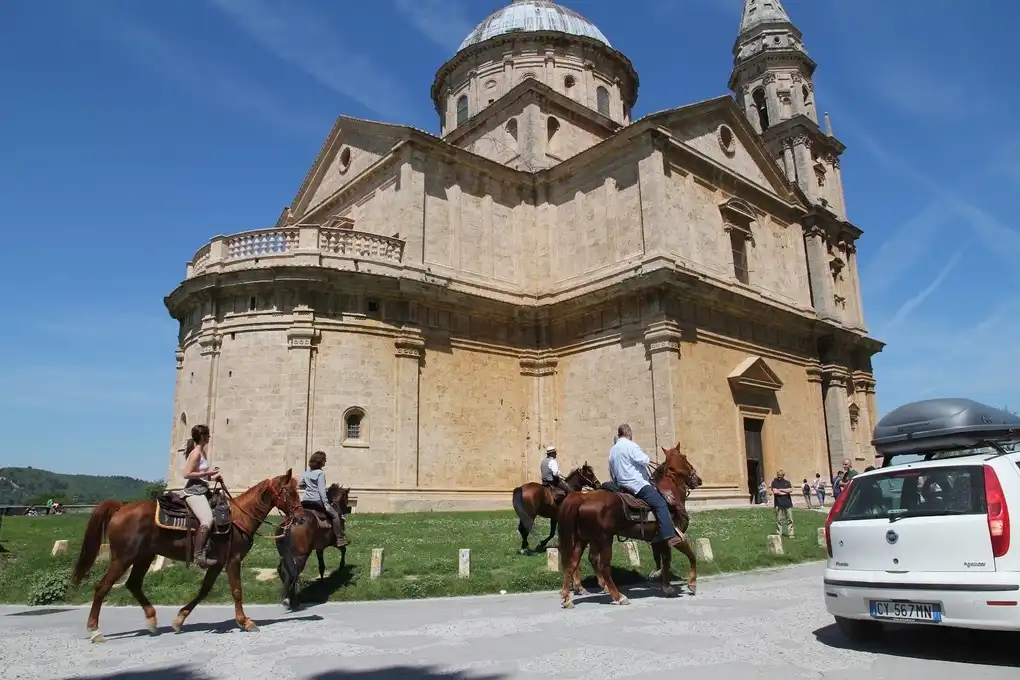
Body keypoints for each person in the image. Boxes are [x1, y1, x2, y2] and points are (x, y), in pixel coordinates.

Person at [608, 423, 683, 548]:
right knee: (660, 503)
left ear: (619, 434)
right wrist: (646, 457)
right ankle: (668, 536)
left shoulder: (613, 449)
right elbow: (645, 461)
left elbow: (611, 470)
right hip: (637, 485)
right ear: (629, 434)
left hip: (621, 485)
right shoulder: (631, 446)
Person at [181, 424, 220, 568]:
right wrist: (207, 473)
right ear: (202, 436)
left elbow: (204, 476)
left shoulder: (202, 452)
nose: (210, 436)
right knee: (207, 519)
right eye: (208, 434)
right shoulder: (196, 453)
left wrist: (214, 477)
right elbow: (186, 474)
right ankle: (198, 556)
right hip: (193, 491)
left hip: (202, 489)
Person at [299, 451, 348, 548]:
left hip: (305, 501)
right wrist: (326, 504)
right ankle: (339, 539)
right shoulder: (320, 473)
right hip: (317, 501)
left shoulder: (307, 472)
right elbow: (322, 492)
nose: (325, 461)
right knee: (335, 516)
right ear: (320, 462)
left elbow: (301, 484)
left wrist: (309, 486)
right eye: (324, 459)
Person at [770, 469, 794, 537]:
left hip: (787, 503)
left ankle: (791, 533)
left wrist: (781, 489)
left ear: (783, 476)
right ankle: (778, 533)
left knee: (790, 519)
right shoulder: (774, 482)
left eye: (780, 476)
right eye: (778, 476)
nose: (779, 477)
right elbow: (775, 491)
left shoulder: (787, 482)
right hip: (778, 503)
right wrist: (785, 492)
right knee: (779, 520)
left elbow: (790, 490)